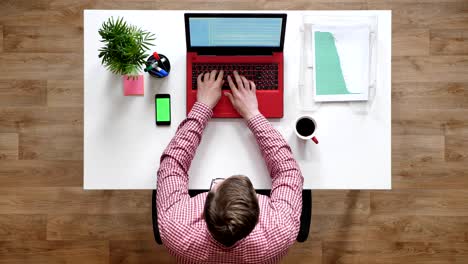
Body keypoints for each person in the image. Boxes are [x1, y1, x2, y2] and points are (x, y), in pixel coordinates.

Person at [157, 70, 304, 264]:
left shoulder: (176, 231)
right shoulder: (279, 233)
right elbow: (288, 171)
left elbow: (172, 163)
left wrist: (202, 107)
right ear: (258, 212)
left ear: (204, 208)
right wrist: (253, 114)